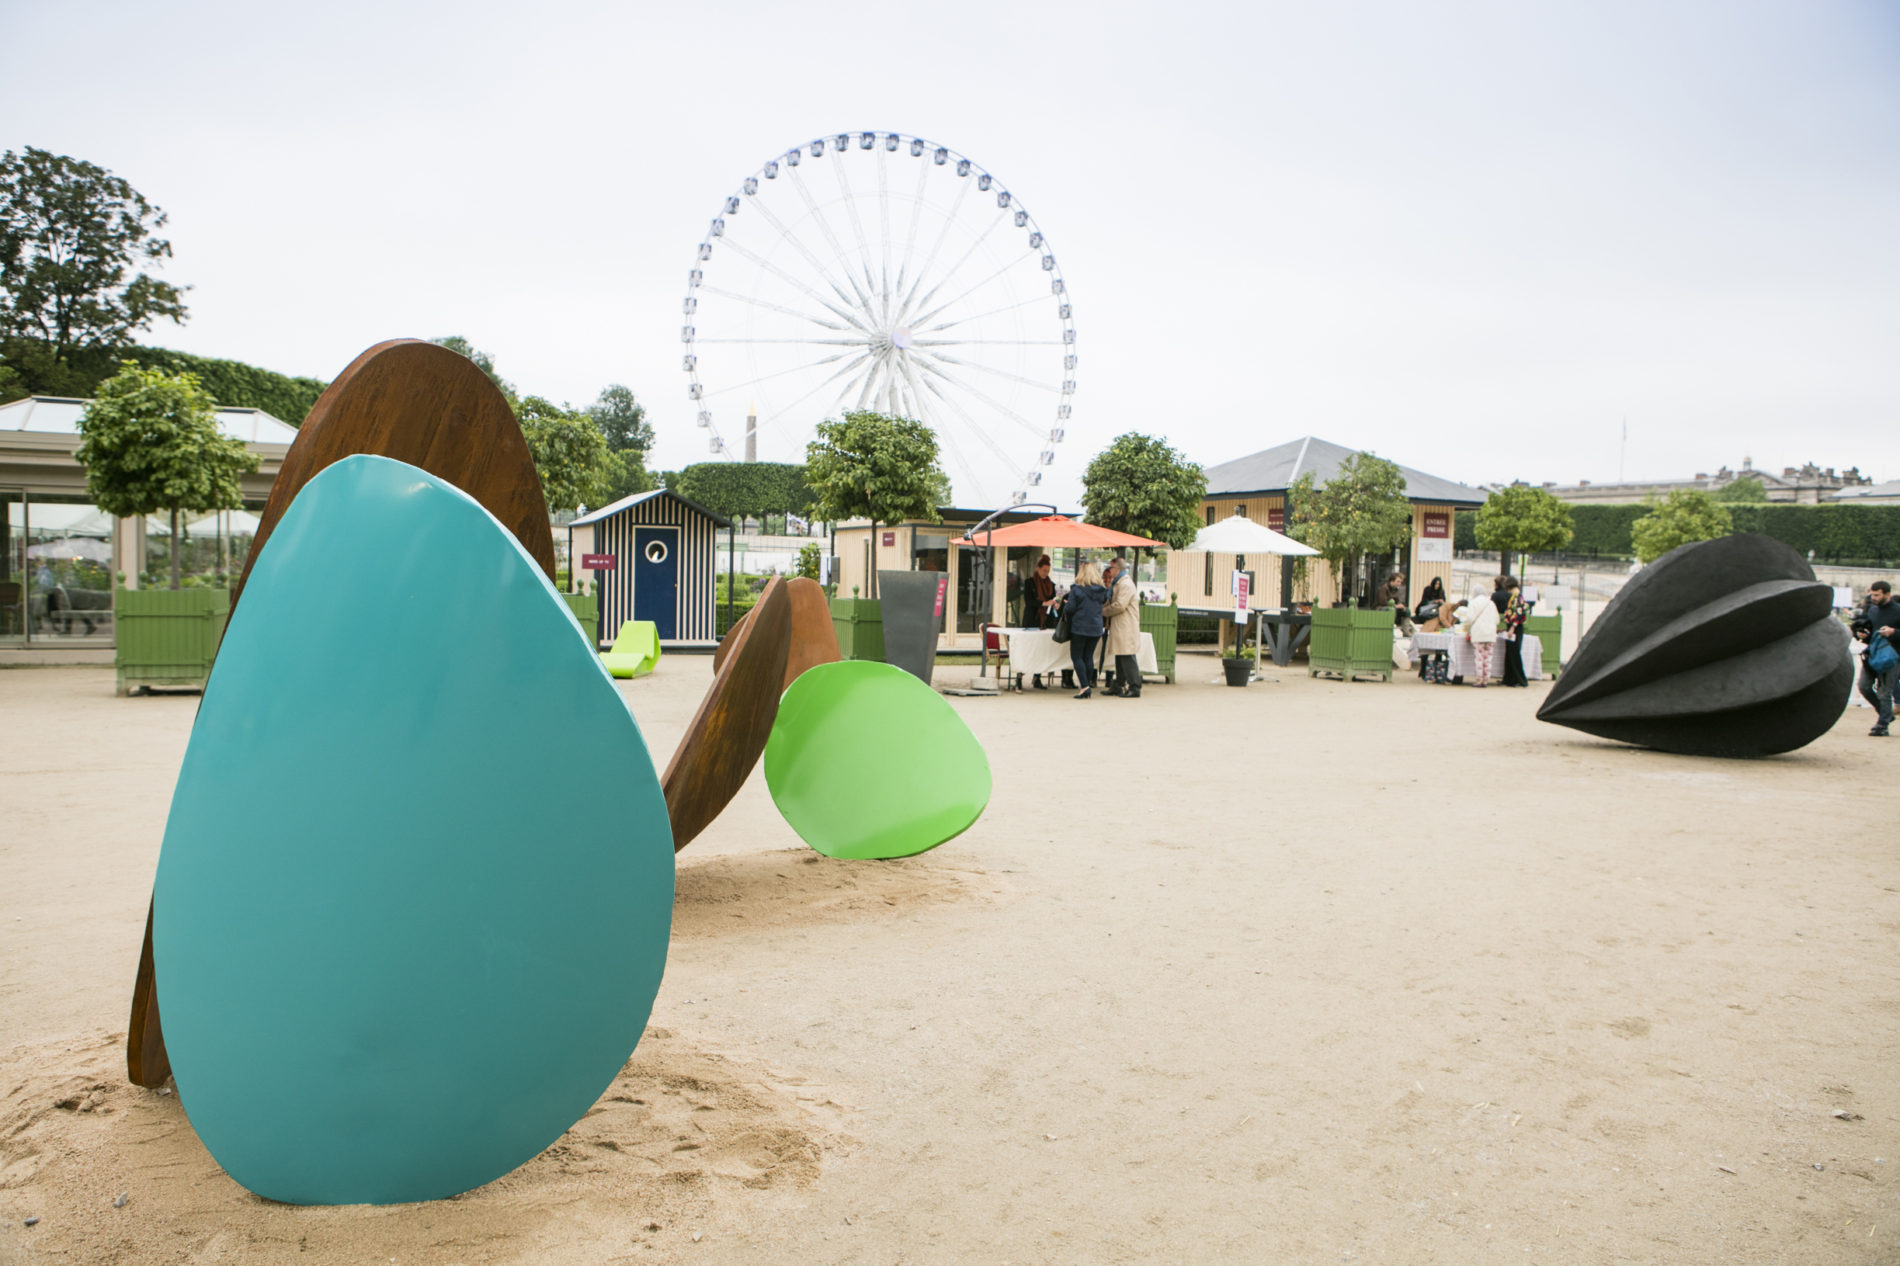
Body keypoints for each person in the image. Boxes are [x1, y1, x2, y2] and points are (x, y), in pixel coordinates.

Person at [1060, 561, 1110, 699]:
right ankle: (1087, 684)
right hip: (1096, 629)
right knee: (1088, 657)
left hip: (1080, 628)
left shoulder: (1077, 590)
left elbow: (1070, 609)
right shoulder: (1102, 591)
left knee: (1076, 657)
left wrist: (1066, 604)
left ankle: (1084, 686)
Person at [1859, 581, 1900, 737]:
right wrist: (1863, 635)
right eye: (1872, 594)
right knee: (1863, 686)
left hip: (1892, 656)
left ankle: (1882, 724)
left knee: (1885, 692)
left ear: (1887, 594)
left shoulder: (1898, 611)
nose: (1873, 598)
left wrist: (1893, 632)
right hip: (1873, 654)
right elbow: (1871, 634)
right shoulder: (1873, 611)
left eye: (1877, 595)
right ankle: (1886, 714)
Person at [1023, 555, 1070, 690]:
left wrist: (1055, 605)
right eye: (1044, 570)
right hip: (1032, 619)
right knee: (1032, 648)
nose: (1045, 574)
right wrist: (1043, 603)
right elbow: (1029, 601)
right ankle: (1024, 675)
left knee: (1043, 649)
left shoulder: (1051, 585)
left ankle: (1037, 676)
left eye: (1048, 571)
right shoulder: (1029, 582)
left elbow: (1052, 599)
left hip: (1046, 621)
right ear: (1038, 569)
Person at [1101, 554, 1142, 698]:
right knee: (1121, 655)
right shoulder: (1119, 583)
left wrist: (1103, 611)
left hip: (1125, 626)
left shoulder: (1125, 584)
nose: (1109, 571)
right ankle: (1118, 684)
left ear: (1117, 569)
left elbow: (1120, 605)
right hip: (1120, 625)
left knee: (1127, 656)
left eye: (1111, 568)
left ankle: (1134, 686)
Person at [1454, 586, 1499, 686]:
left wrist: (1462, 621)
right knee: (1488, 658)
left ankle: (1479, 679)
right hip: (1490, 634)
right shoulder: (1491, 603)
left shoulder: (1473, 603)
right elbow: (1497, 620)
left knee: (1479, 657)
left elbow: (1469, 619)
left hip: (1478, 633)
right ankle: (1486, 679)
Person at [1497, 577, 1530, 688]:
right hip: (1513, 627)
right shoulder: (1516, 596)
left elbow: (1518, 614)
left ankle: (1519, 679)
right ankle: (1510, 679)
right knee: (1511, 653)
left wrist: (1512, 628)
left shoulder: (1517, 597)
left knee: (1514, 654)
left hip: (1514, 627)